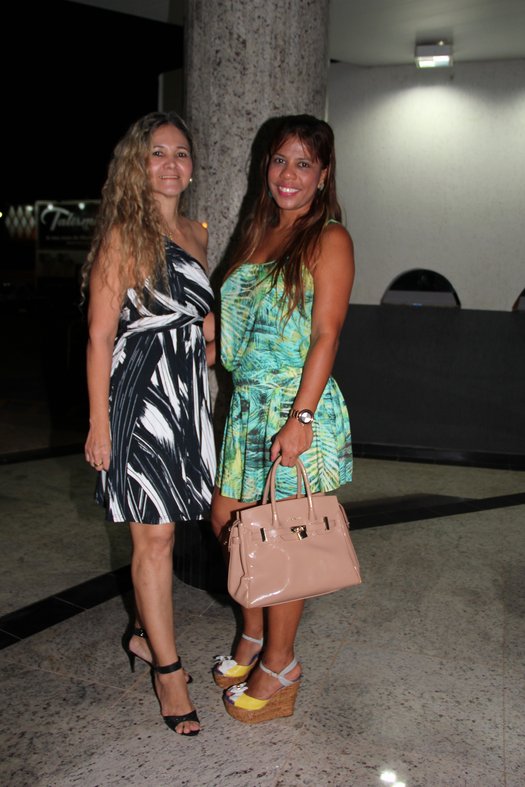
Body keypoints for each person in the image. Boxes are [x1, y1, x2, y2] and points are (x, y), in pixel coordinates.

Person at [211, 114, 355, 723]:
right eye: (279, 160)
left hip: (296, 405)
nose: (288, 174)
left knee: (283, 539)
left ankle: (280, 664)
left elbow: (326, 334)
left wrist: (301, 417)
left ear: (323, 174)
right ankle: (252, 635)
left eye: (303, 163)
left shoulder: (329, 238)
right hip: (247, 407)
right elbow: (236, 318)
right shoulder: (258, 231)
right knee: (228, 524)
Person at [82, 111, 216, 737]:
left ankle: (143, 631)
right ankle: (169, 672)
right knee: (154, 539)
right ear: (137, 165)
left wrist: (212, 348)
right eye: (157, 153)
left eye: (180, 153)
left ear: (192, 167)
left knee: (170, 530)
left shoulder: (198, 232)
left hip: (186, 397)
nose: (170, 164)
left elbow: (201, 320)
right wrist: (99, 423)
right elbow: (99, 336)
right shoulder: (123, 234)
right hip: (137, 397)